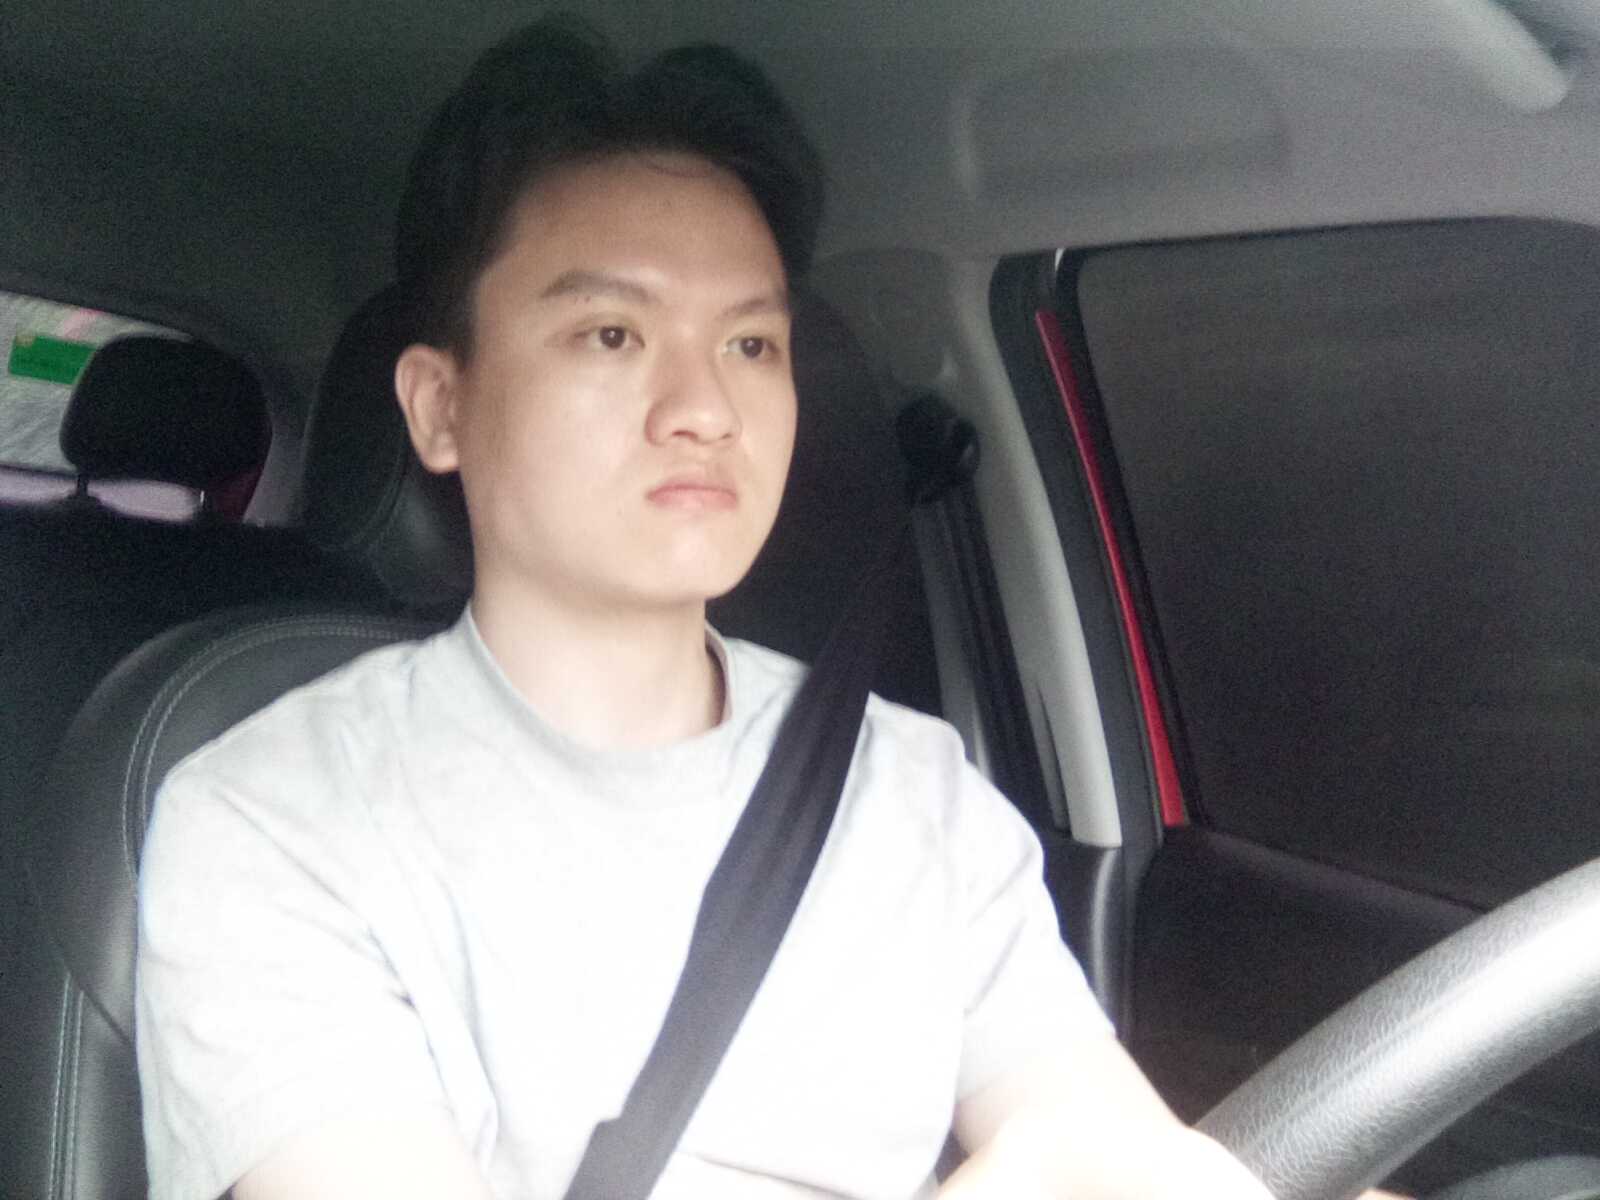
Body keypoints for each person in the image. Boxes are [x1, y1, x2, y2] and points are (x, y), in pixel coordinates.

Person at [134, 18, 1365, 1200]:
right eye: (610, 334)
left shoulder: (912, 790)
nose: (703, 410)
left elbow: (1102, 1144)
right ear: (439, 408)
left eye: (750, 346)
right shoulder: (272, 820)